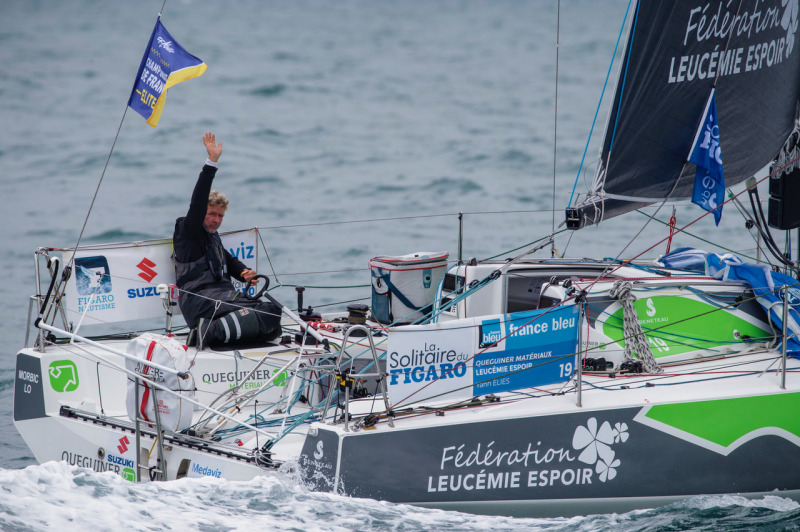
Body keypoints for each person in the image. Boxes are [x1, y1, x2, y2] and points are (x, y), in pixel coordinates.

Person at [173, 132, 281, 348]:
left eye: (220, 216)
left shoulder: (213, 237)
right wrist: (211, 163)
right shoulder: (189, 230)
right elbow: (196, 203)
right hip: (199, 300)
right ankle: (205, 332)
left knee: (273, 319)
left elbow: (228, 260)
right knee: (264, 314)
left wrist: (243, 272)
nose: (215, 220)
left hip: (222, 297)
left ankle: (215, 331)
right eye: (211, 214)